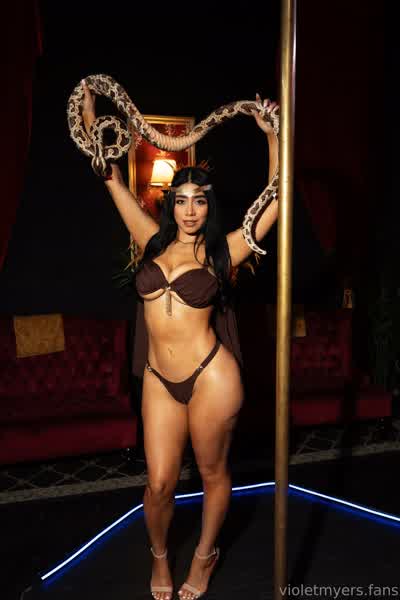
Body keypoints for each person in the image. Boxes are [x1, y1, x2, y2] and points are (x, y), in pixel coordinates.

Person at [81, 80, 278, 600]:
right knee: (159, 483)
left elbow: (274, 200)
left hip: (211, 376)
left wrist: (271, 136)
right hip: (160, 380)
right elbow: (109, 176)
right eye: (182, 200)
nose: (191, 210)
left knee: (213, 472)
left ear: (210, 208)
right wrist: (89, 109)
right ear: (172, 204)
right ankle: (160, 555)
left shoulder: (224, 252)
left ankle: (205, 555)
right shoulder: (150, 240)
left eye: (200, 202)